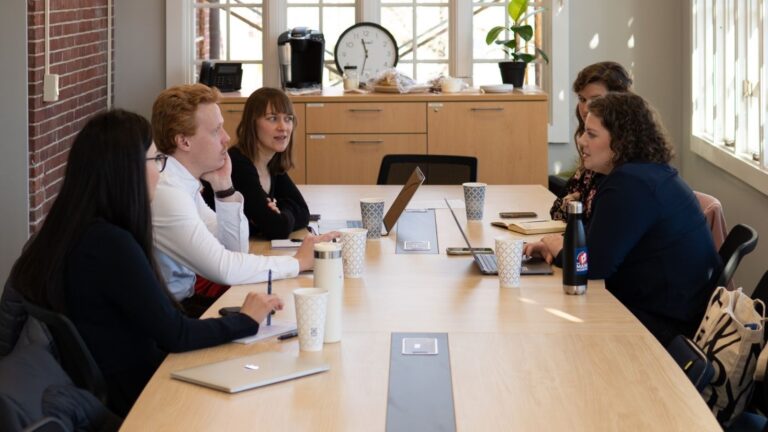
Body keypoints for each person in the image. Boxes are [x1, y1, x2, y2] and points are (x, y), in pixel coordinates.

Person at [9, 110, 284, 416]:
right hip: (145, 393)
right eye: (156, 161)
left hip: (119, 382)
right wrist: (246, 320)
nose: (160, 171)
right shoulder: (109, 244)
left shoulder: (72, 229)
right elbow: (176, 334)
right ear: (126, 170)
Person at [526, 93, 721, 345]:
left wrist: (557, 246)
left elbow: (592, 267)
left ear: (620, 141)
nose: (581, 141)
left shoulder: (629, 184)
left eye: (592, 134)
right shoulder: (648, 173)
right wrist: (562, 245)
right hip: (679, 313)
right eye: (584, 132)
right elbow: (600, 243)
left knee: (547, 326)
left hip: (666, 329)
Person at [151, 84, 337, 316]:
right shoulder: (167, 190)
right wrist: (297, 263)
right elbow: (224, 268)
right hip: (168, 316)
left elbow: (235, 249)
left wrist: (224, 188)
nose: (226, 138)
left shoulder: (181, 182)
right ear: (184, 141)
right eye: (216, 130)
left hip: (181, 305)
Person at [202, 87, 309, 239]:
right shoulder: (238, 164)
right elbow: (276, 228)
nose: (283, 127)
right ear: (252, 124)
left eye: (288, 119)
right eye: (272, 118)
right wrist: (281, 213)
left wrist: (281, 210)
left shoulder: (272, 164)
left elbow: (304, 213)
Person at [550, 62, 633, 224]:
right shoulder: (592, 152)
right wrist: (578, 201)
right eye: (582, 99)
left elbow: (594, 218)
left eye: (596, 99)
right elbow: (556, 211)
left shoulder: (627, 157)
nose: (586, 108)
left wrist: (580, 201)